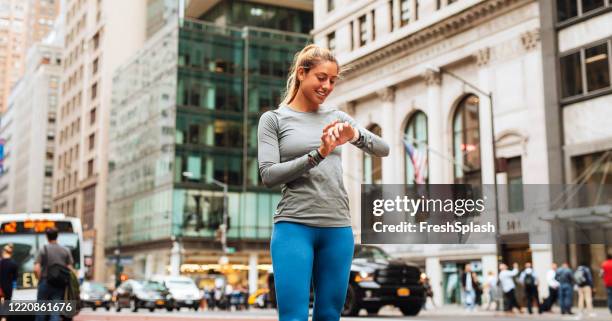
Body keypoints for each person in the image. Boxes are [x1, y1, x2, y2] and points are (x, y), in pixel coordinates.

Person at [257, 44, 389, 321]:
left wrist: (354, 134)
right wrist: (318, 154)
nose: (327, 86)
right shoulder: (273, 120)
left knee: (329, 315)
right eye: (321, 77)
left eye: (332, 80)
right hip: (294, 227)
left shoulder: (337, 117)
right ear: (302, 73)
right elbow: (268, 175)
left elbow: (383, 149)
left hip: (338, 229)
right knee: (293, 317)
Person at [34, 228, 74, 321]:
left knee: (41, 311)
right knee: (55, 312)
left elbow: (36, 268)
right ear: (57, 236)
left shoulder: (43, 249)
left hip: (45, 282)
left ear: (47, 237)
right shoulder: (65, 250)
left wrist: (39, 279)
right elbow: (71, 269)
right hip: (59, 284)